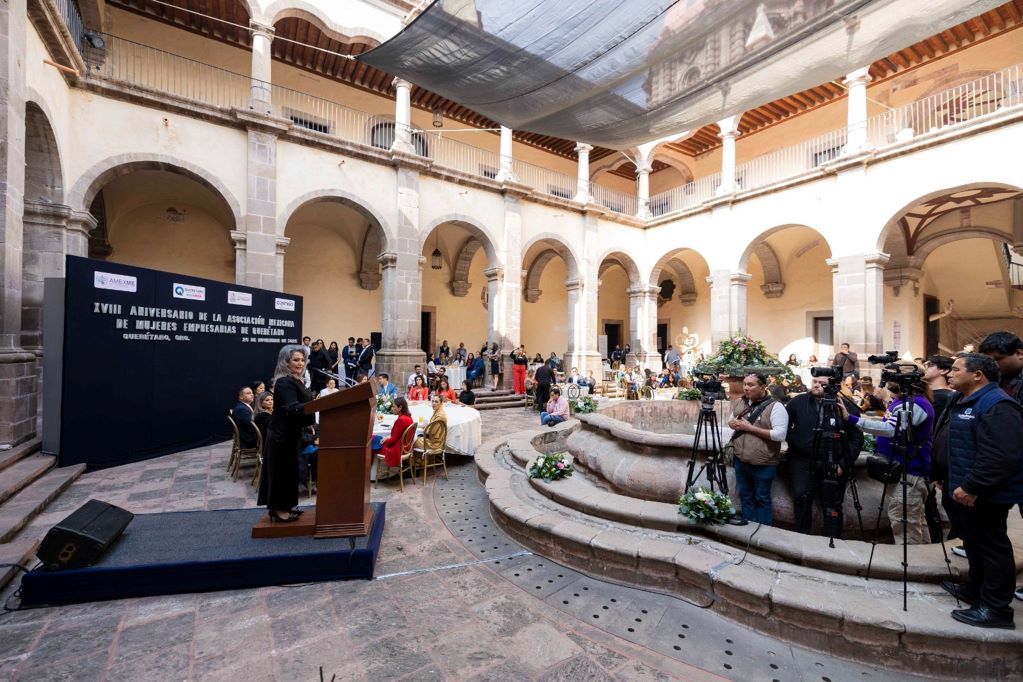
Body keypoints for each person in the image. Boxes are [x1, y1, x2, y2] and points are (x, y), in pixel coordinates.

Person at [936, 353, 1023, 628]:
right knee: (973, 542)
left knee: (991, 547)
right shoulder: (959, 399)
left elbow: (1001, 455)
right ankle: (975, 589)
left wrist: (972, 485)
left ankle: (996, 609)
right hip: (960, 487)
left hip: (983, 493)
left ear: (977, 375)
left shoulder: (998, 405)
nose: (949, 373)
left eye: (956, 369)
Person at [845, 376, 934, 544]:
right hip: (903, 468)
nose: (882, 387)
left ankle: (912, 562)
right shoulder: (906, 401)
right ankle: (923, 555)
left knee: (903, 517)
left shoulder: (915, 404)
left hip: (910, 471)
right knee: (913, 518)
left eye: (886, 384)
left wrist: (851, 419)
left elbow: (891, 429)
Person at [785, 376, 863, 537]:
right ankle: (801, 538)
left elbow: (856, 438)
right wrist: (796, 442)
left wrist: (843, 464)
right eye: (815, 382)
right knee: (801, 498)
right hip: (803, 460)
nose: (817, 385)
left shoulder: (846, 406)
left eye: (823, 384)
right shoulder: (798, 402)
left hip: (834, 463)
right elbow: (784, 425)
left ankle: (832, 541)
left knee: (832, 505)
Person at [978, 331, 1023, 600]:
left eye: (999, 359)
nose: (994, 365)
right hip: (1006, 467)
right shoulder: (999, 381)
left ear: (1019, 353)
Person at [258, 345, 315, 523]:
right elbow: (292, 408)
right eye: (295, 360)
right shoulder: (283, 382)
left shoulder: (296, 380)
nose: (300, 363)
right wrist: (317, 406)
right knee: (281, 472)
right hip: (281, 436)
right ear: (286, 362)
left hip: (292, 433)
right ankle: (278, 509)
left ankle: (288, 505)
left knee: (290, 471)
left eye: (302, 360)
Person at [728, 373, 789, 525]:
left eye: (751, 385)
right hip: (741, 460)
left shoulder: (776, 407)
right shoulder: (740, 402)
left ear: (762, 386)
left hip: (764, 463)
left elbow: (780, 435)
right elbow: (730, 419)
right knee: (745, 496)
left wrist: (750, 428)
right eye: (745, 384)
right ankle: (748, 526)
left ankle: (763, 533)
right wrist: (732, 424)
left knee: (762, 499)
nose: (746, 388)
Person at [379, 397, 414, 468]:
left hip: (399, 450)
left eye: (394, 406)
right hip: (406, 447)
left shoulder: (401, 420)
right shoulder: (409, 417)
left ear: (400, 407)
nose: (392, 408)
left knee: (375, 443)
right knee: (378, 440)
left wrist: (385, 441)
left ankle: (374, 475)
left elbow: (393, 440)